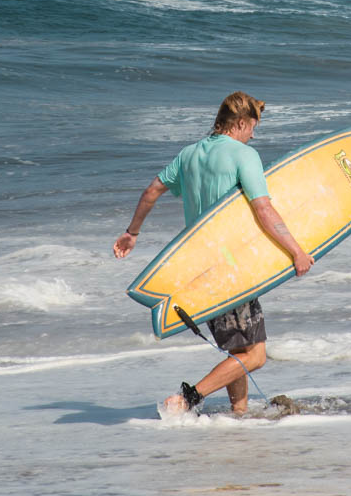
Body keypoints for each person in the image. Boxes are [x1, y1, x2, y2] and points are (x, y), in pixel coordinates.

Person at [113, 92, 314, 415]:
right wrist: (296, 251)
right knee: (256, 355)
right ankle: (187, 398)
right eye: (252, 128)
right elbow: (263, 208)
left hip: (199, 267)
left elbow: (152, 191)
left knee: (239, 349)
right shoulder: (243, 155)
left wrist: (132, 232)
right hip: (231, 267)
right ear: (240, 123)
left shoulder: (189, 154)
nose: (253, 136)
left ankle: (238, 417)